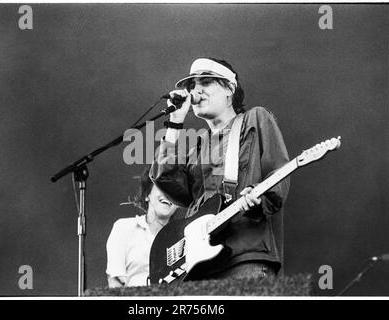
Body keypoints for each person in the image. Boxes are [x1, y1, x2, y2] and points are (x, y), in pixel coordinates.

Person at [150, 57, 290, 280]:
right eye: (192, 86)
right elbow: (167, 183)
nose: (196, 91)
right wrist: (175, 123)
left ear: (229, 89)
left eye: (206, 83)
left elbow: (278, 176)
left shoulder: (255, 120)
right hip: (199, 266)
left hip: (243, 258)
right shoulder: (198, 145)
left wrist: (257, 200)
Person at [105, 167, 178, 288]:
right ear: (147, 194)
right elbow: (115, 283)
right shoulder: (124, 228)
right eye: (163, 187)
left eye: (174, 191)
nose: (168, 195)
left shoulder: (184, 236)